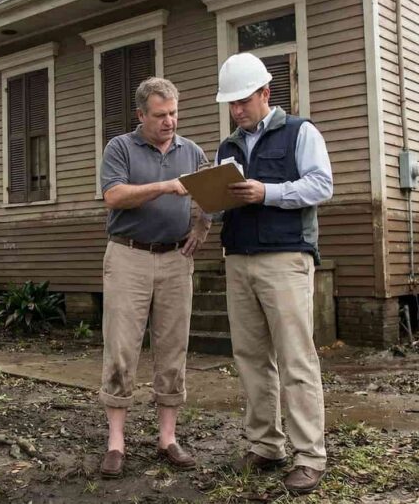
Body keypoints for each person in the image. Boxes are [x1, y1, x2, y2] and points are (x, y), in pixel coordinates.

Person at [213, 53, 334, 495]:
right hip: (238, 257)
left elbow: (322, 184)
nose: (237, 110)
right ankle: (267, 445)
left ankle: (310, 456)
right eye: (230, 104)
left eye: (243, 101)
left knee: (296, 357)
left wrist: (267, 192)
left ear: (266, 93)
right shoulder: (227, 147)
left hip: (286, 257)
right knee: (250, 357)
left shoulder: (301, 132)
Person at [98, 76, 212, 478]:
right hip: (129, 256)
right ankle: (116, 442)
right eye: (161, 115)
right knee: (122, 347)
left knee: (173, 348)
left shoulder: (192, 151)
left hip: (175, 259)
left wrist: (201, 227)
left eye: (174, 113)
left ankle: (167, 438)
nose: (170, 122)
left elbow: (210, 194)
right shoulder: (120, 148)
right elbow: (113, 196)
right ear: (141, 115)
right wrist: (165, 186)